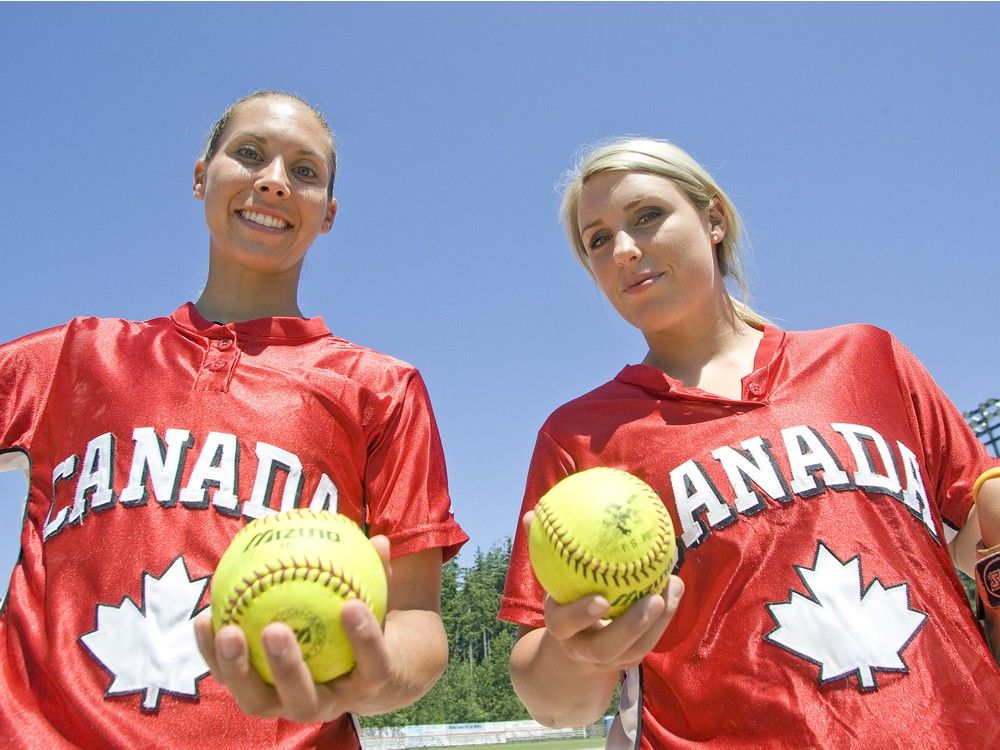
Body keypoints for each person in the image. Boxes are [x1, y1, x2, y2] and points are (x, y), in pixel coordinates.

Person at [0, 90, 467, 748]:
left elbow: (417, 620)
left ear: (327, 214)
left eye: (304, 171)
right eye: (248, 154)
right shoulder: (73, 357)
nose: (274, 180)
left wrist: (375, 678)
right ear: (201, 177)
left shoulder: (380, 389)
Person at [499, 137, 1000, 748]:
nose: (624, 250)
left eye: (646, 216)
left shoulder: (868, 358)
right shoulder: (581, 434)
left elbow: (979, 539)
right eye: (597, 240)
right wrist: (577, 655)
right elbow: (556, 702)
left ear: (713, 219)